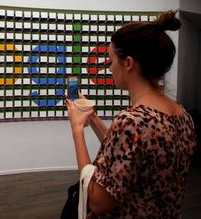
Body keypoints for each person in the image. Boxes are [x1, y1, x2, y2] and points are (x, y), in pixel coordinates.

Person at [65, 11, 197, 218]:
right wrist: (92, 118)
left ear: (128, 63)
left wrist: (77, 129)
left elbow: (98, 201)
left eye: (111, 61)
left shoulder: (131, 122)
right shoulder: (182, 115)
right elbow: (128, 155)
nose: (109, 68)